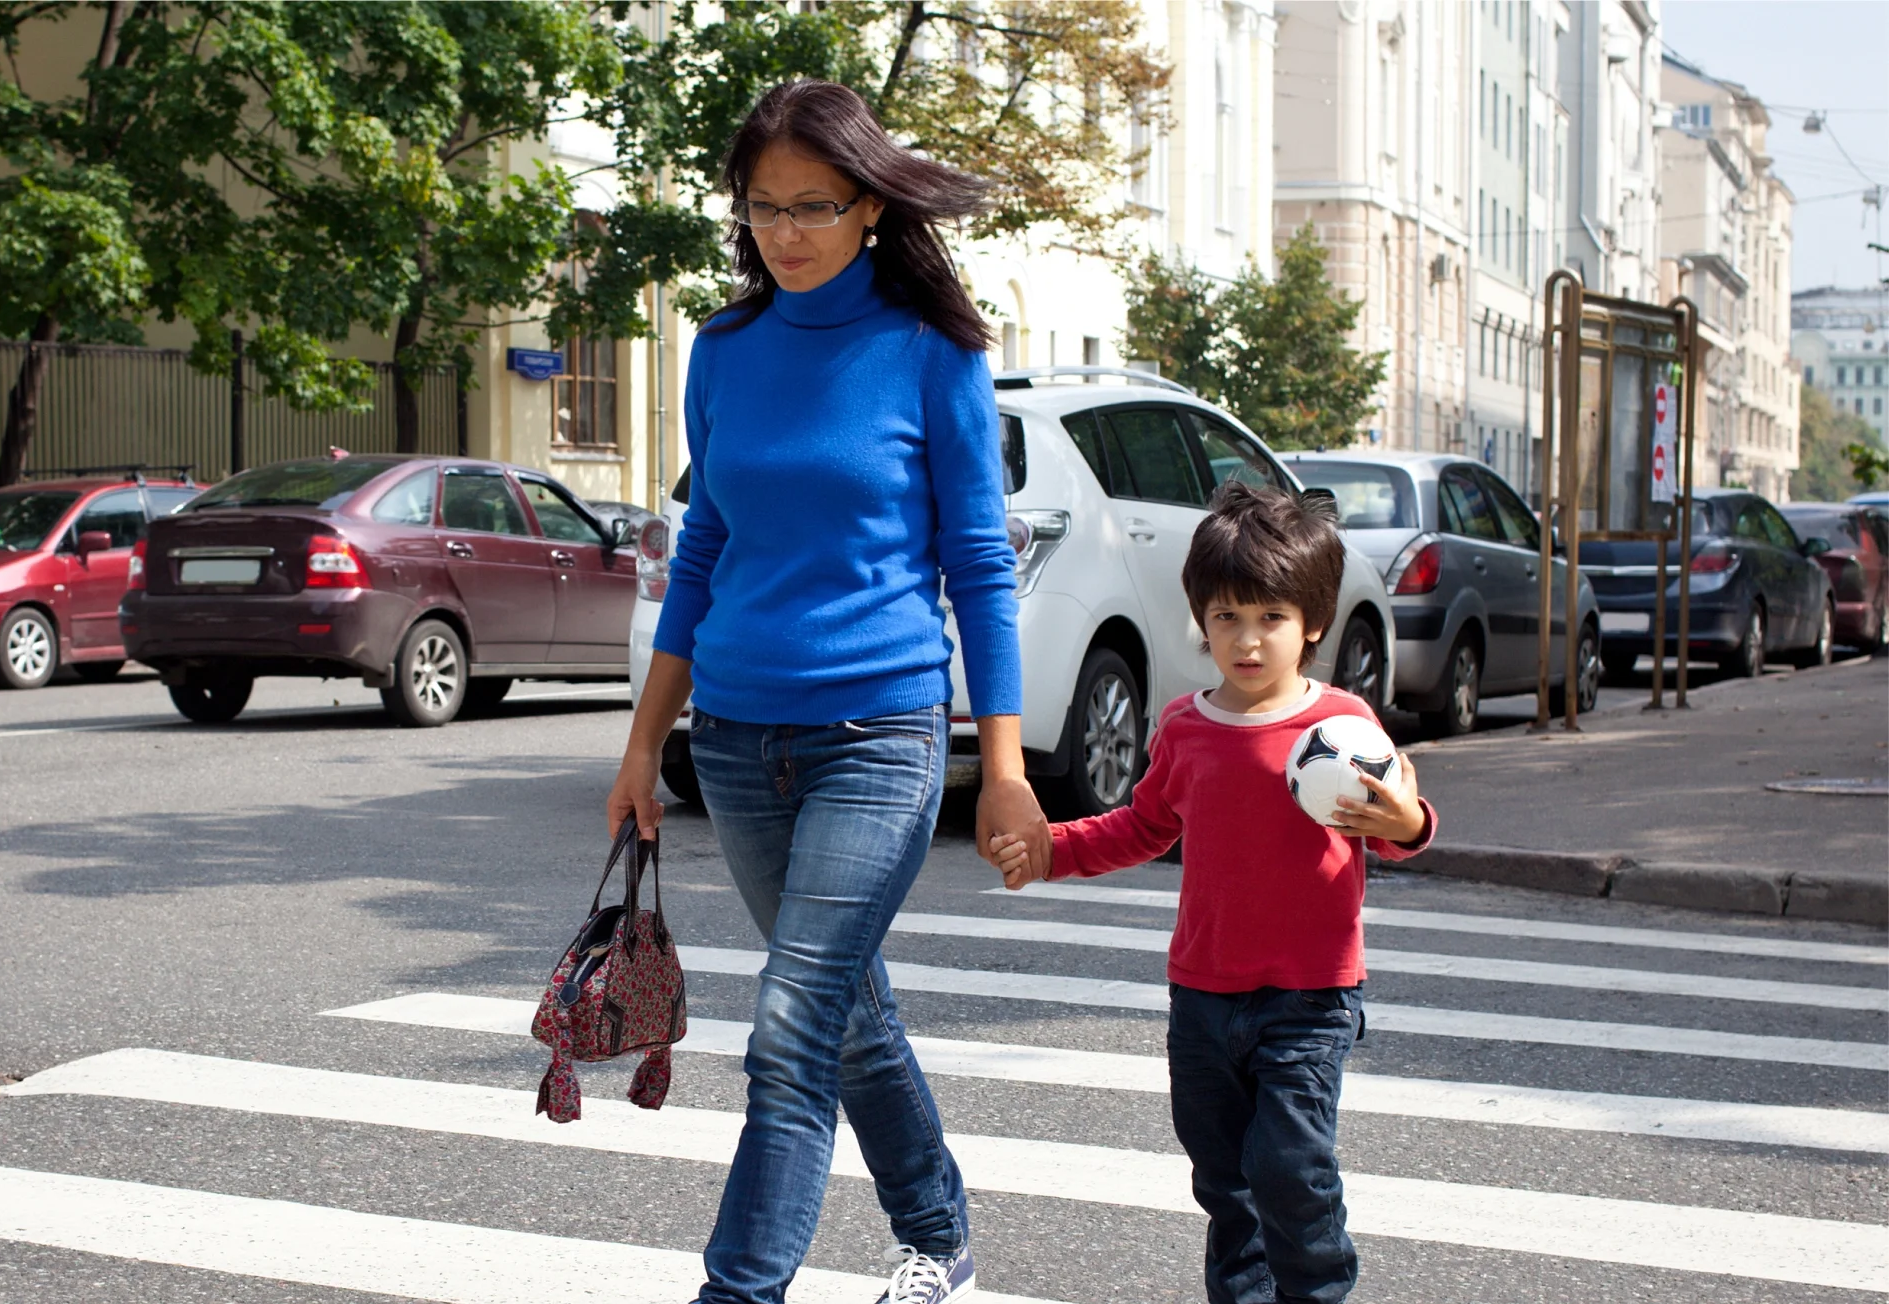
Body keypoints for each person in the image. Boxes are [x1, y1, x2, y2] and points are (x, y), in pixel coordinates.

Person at [605, 79, 1048, 1304]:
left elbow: (976, 566)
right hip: (738, 739)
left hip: (879, 733)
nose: (784, 232)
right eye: (761, 207)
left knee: (789, 1027)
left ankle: (734, 1292)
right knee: (843, 1006)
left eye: (813, 206)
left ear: (867, 207)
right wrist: (645, 743)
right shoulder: (724, 349)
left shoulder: (929, 351)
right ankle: (938, 1230)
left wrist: (1002, 766)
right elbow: (703, 548)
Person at [990, 483, 1437, 1304]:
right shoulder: (1186, 728)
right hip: (1202, 998)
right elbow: (1141, 826)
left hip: (1308, 999)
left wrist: (1408, 818)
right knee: (1226, 1186)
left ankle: (1319, 1291)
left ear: (1312, 622)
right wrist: (1051, 850)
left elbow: (1396, 829)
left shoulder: (1341, 729)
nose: (1248, 639)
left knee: (1289, 1170)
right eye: (1226, 616)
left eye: (1270, 617)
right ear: (1201, 618)